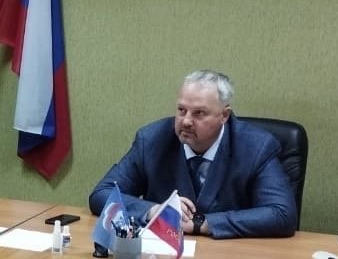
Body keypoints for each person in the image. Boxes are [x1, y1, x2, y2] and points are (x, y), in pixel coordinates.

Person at [89, 70, 297, 238]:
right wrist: (155, 211)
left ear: (224, 115)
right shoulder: (152, 140)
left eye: (199, 113)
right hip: (162, 257)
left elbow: (282, 214)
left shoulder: (256, 146)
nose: (186, 121)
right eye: (181, 110)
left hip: (232, 256)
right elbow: (102, 194)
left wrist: (203, 224)